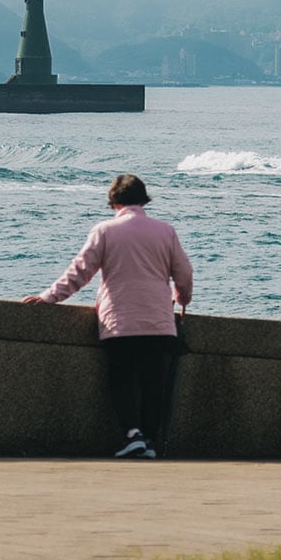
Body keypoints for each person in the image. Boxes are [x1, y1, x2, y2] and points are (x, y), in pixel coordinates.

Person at [25, 173, 193, 458]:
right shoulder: (165, 231)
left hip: (120, 320)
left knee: (122, 379)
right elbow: (184, 274)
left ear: (113, 201)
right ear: (143, 199)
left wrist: (48, 297)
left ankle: (132, 435)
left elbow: (80, 272)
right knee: (153, 383)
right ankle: (150, 441)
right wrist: (181, 300)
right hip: (159, 321)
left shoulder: (104, 231)